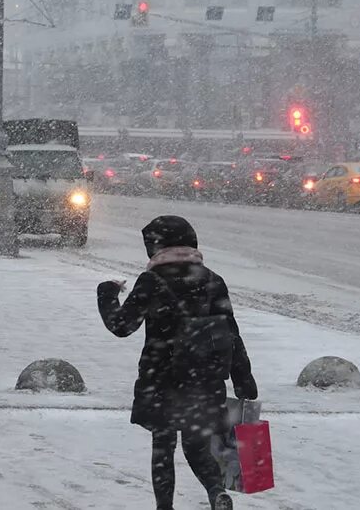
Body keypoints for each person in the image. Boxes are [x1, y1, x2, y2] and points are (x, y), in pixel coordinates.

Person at [96, 215, 257, 510]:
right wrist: (243, 377)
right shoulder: (212, 279)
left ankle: (164, 508)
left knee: (163, 449)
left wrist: (106, 293)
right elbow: (231, 332)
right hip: (204, 380)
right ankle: (216, 492)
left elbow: (121, 326)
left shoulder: (152, 281)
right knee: (197, 447)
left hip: (162, 379)